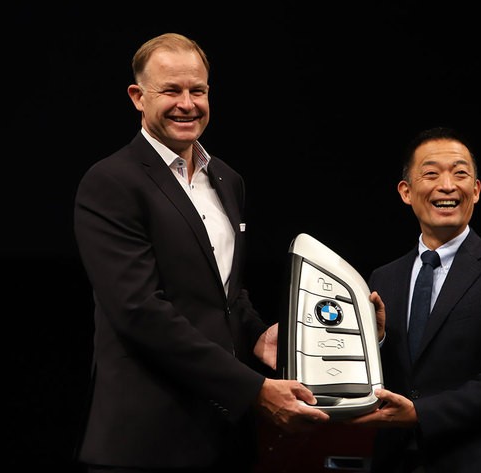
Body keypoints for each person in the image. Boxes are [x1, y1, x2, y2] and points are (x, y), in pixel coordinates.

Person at [72, 32, 329, 473]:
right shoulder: (111, 182)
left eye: (198, 90)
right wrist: (253, 389)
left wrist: (257, 335)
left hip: (224, 436)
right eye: (171, 91)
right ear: (138, 97)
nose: (187, 104)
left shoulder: (227, 179)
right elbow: (138, 311)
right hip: (147, 441)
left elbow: (226, 292)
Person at [353, 126, 481, 473]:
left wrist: (420, 413)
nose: (447, 185)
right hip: (397, 462)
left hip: (479, 463)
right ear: (406, 192)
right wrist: (376, 341)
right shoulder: (384, 278)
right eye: (431, 174)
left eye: (460, 173)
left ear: (476, 190)